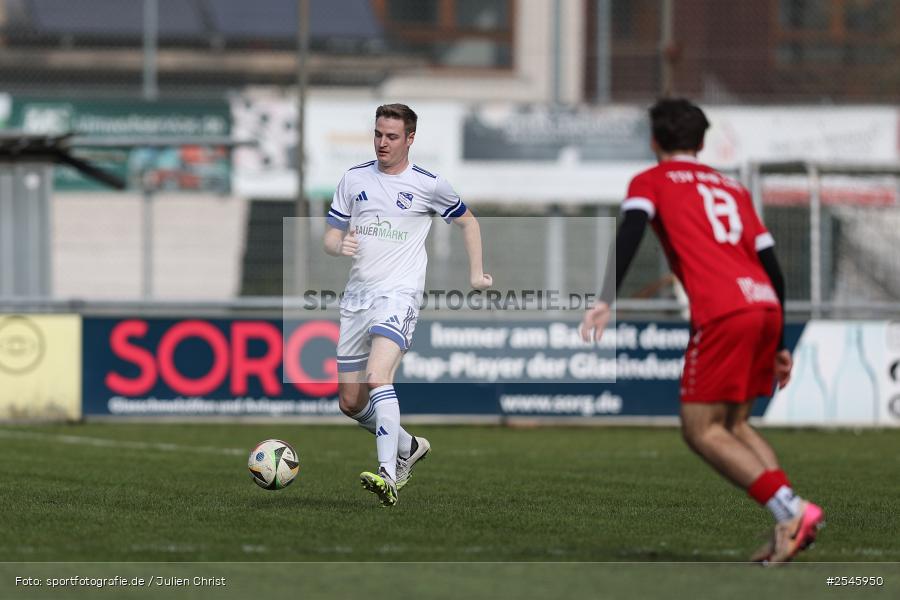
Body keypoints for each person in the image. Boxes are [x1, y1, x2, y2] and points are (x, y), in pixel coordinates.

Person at [580, 98, 823, 564]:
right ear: (702, 141)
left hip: (723, 309)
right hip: (764, 304)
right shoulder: (731, 187)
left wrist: (605, 297)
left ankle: (792, 511)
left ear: (654, 141)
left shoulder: (650, 181)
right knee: (733, 424)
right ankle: (787, 526)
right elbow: (772, 264)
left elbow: (631, 231)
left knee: (700, 430)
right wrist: (777, 341)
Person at [324, 103, 492, 507]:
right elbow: (331, 235)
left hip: (399, 295)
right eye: (378, 134)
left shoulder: (429, 184)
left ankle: (387, 475)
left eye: (392, 136)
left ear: (410, 139)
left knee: (379, 376)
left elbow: (469, 222)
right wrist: (338, 245)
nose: (383, 142)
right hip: (357, 299)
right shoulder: (353, 178)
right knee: (349, 401)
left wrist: (476, 273)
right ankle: (408, 445)